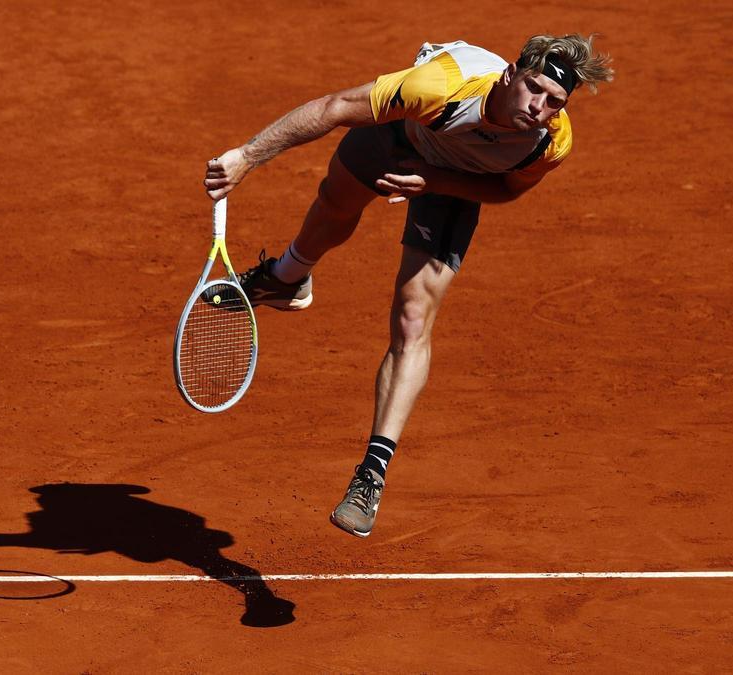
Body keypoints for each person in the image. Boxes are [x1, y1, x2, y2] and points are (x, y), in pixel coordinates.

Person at [203, 35, 613, 538]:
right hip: (404, 135)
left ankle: (370, 475)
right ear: (510, 74)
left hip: (455, 179)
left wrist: (437, 183)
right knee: (336, 203)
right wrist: (248, 156)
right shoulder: (437, 86)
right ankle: (288, 278)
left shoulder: (551, 141)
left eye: (555, 102)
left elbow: (506, 190)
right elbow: (335, 108)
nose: (539, 108)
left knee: (413, 314)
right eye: (535, 89)